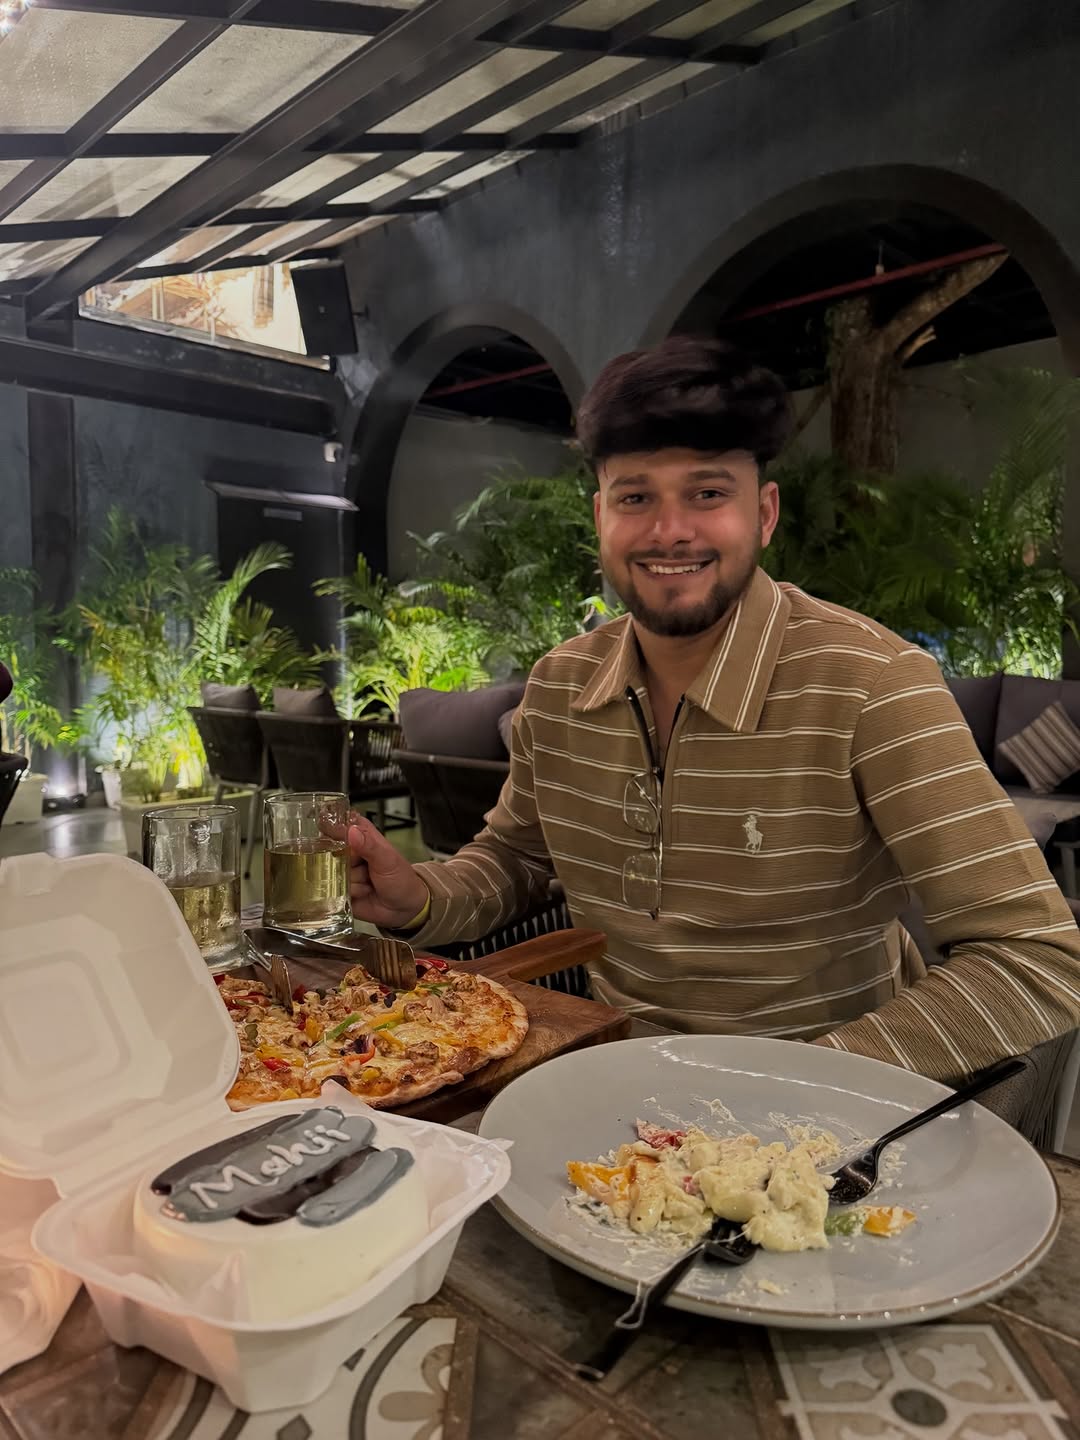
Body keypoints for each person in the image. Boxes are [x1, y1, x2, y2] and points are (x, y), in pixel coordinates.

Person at [347, 336, 1080, 1082]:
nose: (670, 530)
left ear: (763, 513)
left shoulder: (872, 684)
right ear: (600, 516)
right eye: (636, 497)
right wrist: (419, 896)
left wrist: (798, 1093)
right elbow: (517, 859)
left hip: (828, 1108)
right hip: (617, 1084)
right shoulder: (561, 686)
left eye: (707, 494)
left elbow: (1036, 957)